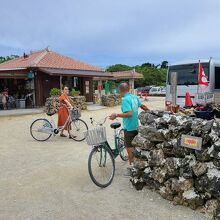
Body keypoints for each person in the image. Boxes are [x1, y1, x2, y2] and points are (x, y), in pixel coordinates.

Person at [109, 82, 149, 176]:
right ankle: (137, 165)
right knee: (135, 147)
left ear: (120, 90)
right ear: (128, 89)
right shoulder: (134, 97)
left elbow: (129, 114)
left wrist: (117, 115)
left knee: (129, 149)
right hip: (136, 126)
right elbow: (142, 106)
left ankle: (133, 169)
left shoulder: (125, 99)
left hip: (129, 128)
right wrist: (151, 112)